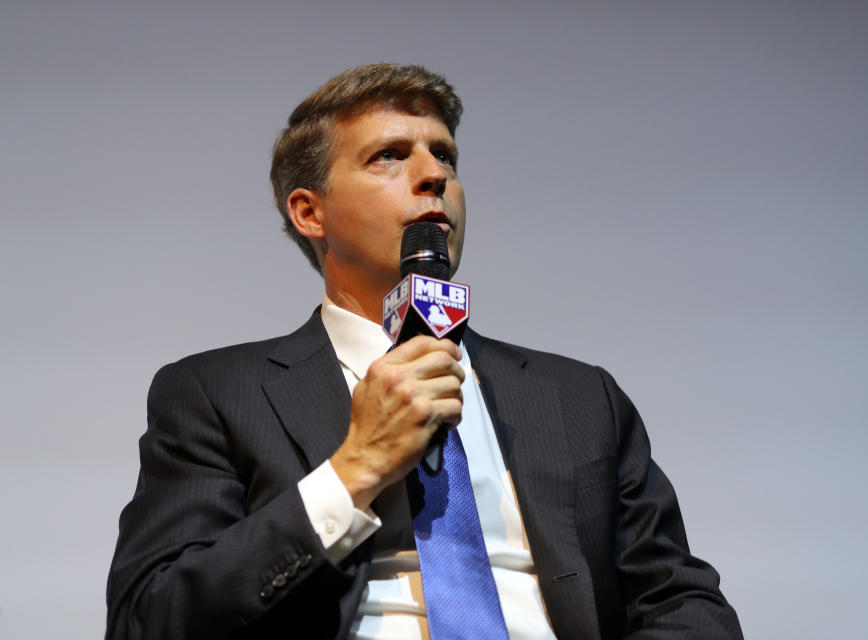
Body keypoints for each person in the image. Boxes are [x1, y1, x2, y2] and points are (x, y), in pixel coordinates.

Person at [106, 63, 743, 640]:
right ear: (310, 212)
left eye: (445, 156)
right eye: (389, 155)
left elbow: (684, 605)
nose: (434, 174)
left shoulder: (580, 397)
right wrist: (355, 468)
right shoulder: (216, 392)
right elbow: (150, 617)